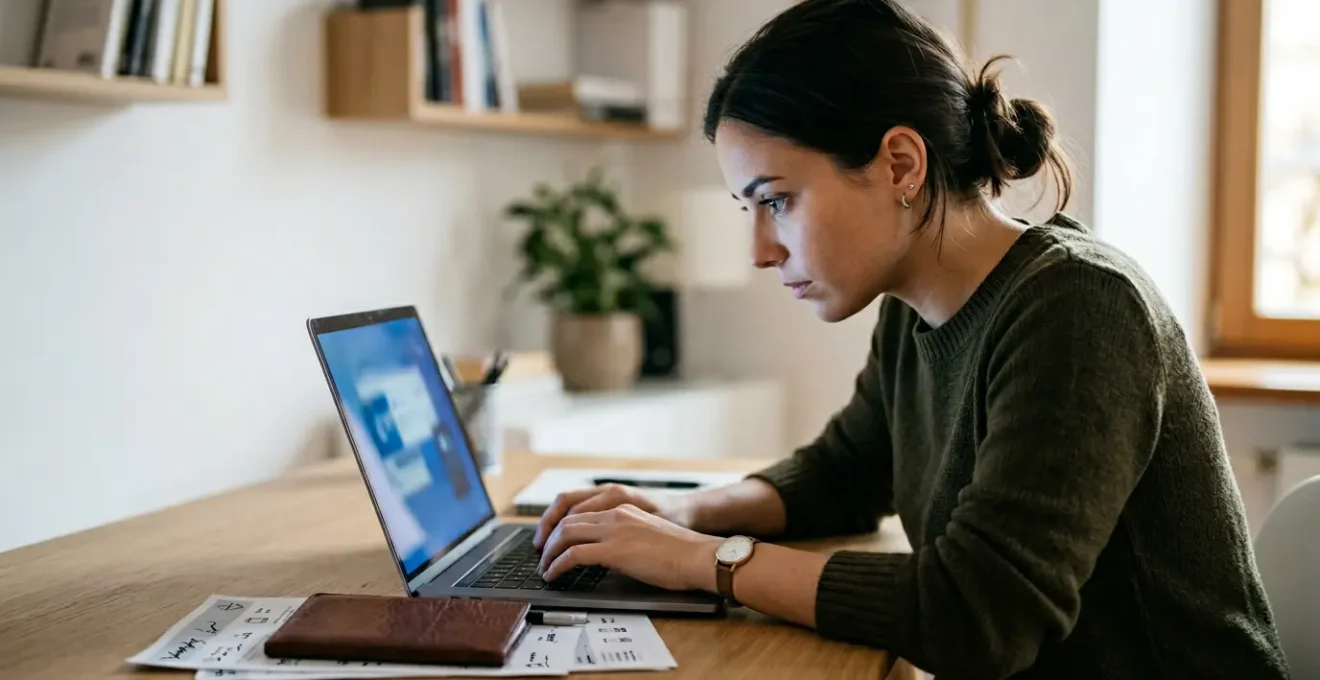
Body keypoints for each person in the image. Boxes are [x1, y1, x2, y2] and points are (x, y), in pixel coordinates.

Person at [530, 0, 1290, 677]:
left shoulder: (1079, 308)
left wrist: (708, 563)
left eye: (779, 202)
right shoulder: (915, 305)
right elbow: (846, 474)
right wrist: (684, 516)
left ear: (901, 163)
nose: (762, 250)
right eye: (749, 210)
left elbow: (978, 618)